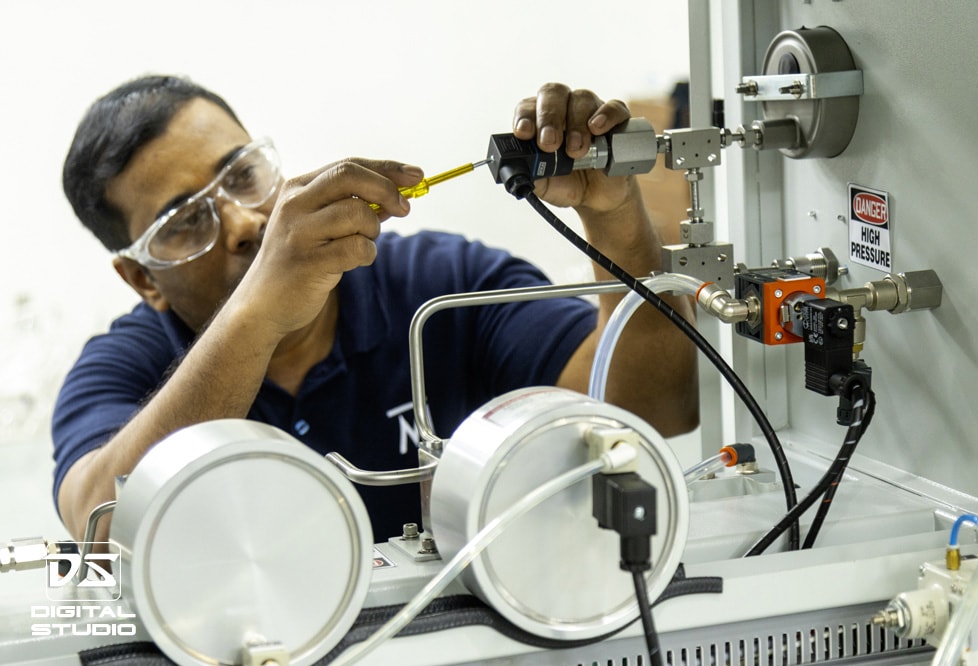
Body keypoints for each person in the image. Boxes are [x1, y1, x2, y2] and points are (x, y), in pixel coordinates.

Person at [55, 76, 698, 544]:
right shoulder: (125, 366)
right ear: (143, 278)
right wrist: (256, 315)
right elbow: (100, 532)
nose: (244, 224)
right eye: (185, 220)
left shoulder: (443, 282)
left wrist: (614, 220)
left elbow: (656, 409)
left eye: (243, 176)